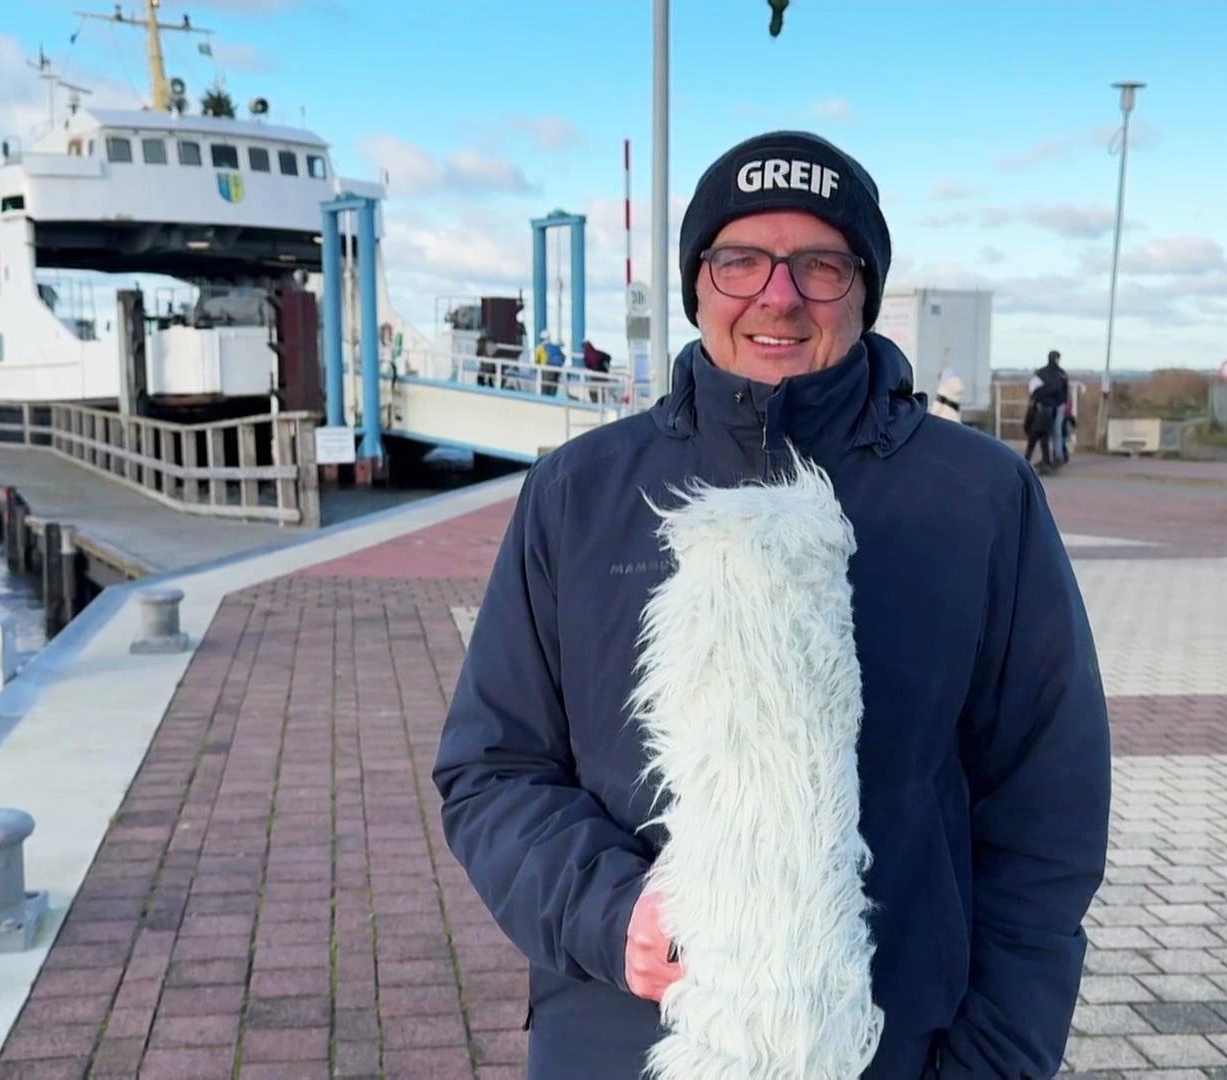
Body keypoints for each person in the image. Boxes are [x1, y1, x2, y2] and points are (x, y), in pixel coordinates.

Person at [434, 130, 1110, 1078]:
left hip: (896, 1047)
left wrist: (998, 1059)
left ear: (864, 288)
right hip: (622, 1042)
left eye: (819, 265)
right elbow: (491, 769)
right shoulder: (580, 491)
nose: (778, 296)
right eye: (741, 259)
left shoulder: (980, 498)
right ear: (698, 284)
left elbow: (1047, 811)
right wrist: (612, 915)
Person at [1026, 350, 1070, 471]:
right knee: (1057, 432)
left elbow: (1032, 389)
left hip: (1044, 407)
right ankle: (1057, 457)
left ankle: (1039, 459)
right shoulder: (1062, 374)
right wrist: (1064, 403)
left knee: (1040, 434)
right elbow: (1065, 391)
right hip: (1059, 405)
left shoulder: (1040, 373)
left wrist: (1037, 399)